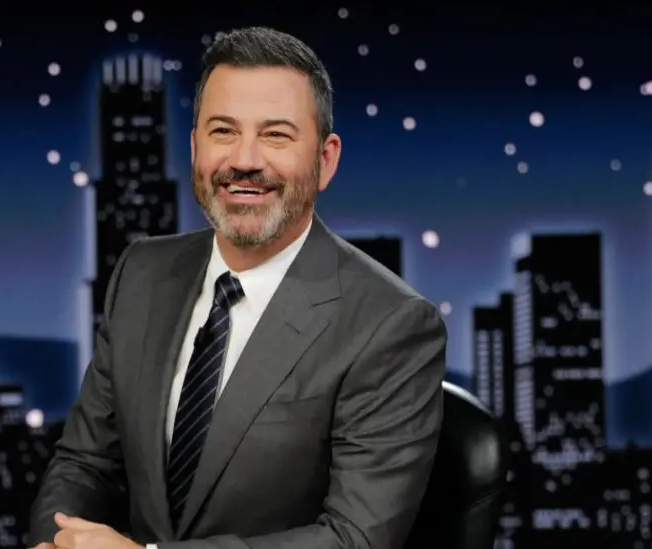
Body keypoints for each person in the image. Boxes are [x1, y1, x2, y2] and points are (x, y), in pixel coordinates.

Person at [29, 26, 447, 549]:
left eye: (276, 135)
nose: (245, 160)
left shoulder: (392, 324)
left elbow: (354, 539)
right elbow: (83, 464)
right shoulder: (139, 273)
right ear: (195, 147)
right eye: (223, 131)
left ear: (326, 159)